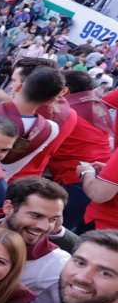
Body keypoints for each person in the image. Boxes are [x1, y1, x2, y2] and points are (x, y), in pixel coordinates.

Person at [0, 177, 71, 294]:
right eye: (36, 215)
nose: (44, 227)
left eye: (53, 219)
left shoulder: (54, 264)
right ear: (8, 208)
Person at [51, 70, 112, 231]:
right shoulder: (95, 109)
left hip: (77, 179)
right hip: (98, 175)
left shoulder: (64, 112)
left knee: (55, 232)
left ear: (64, 90)